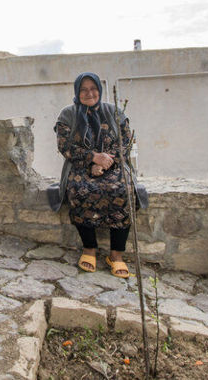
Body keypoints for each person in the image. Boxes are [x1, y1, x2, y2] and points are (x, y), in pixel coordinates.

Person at [54, 72, 133, 278]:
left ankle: (116, 255)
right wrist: (92, 158)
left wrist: (104, 163)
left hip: (113, 165)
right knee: (79, 190)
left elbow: (125, 143)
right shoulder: (67, 114)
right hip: (80, 166)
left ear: (99, 89)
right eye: (83, 89)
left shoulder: (114, 112)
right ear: (77, 92)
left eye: (93, 88)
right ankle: (89, 248)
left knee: (122, 190)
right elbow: (65, 147)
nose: (89, 93)